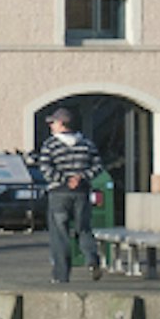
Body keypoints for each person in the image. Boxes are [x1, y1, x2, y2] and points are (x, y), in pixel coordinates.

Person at [34, 107, 105, 283]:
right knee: (84, 229)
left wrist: (65, 179)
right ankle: (91, 259)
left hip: (59, 193)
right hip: (81, 193)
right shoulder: (86, 144)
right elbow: (97, 166)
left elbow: (45, 168)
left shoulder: (51, 145)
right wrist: (80, 178)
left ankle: (61, 274)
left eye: (53, 122)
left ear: (61, 124)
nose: (51, 126)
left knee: (60, 234)